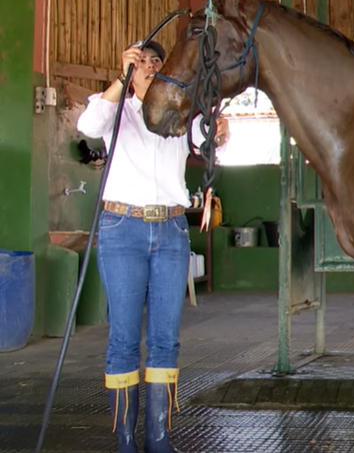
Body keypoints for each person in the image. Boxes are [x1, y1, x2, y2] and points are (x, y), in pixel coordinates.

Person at [77, 40, 228, 453]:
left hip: (170, 230)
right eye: (140, 61)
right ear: (129, 68)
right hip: (121, 226)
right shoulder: (115, 110)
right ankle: (126, 443)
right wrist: (119, 80)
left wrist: (219, 128)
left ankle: (159, 440)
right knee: (124, 337)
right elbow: (88, 126)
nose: (148, 67)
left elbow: (209, 137)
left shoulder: (179, 113)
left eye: (155, 61)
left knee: (165, 338)